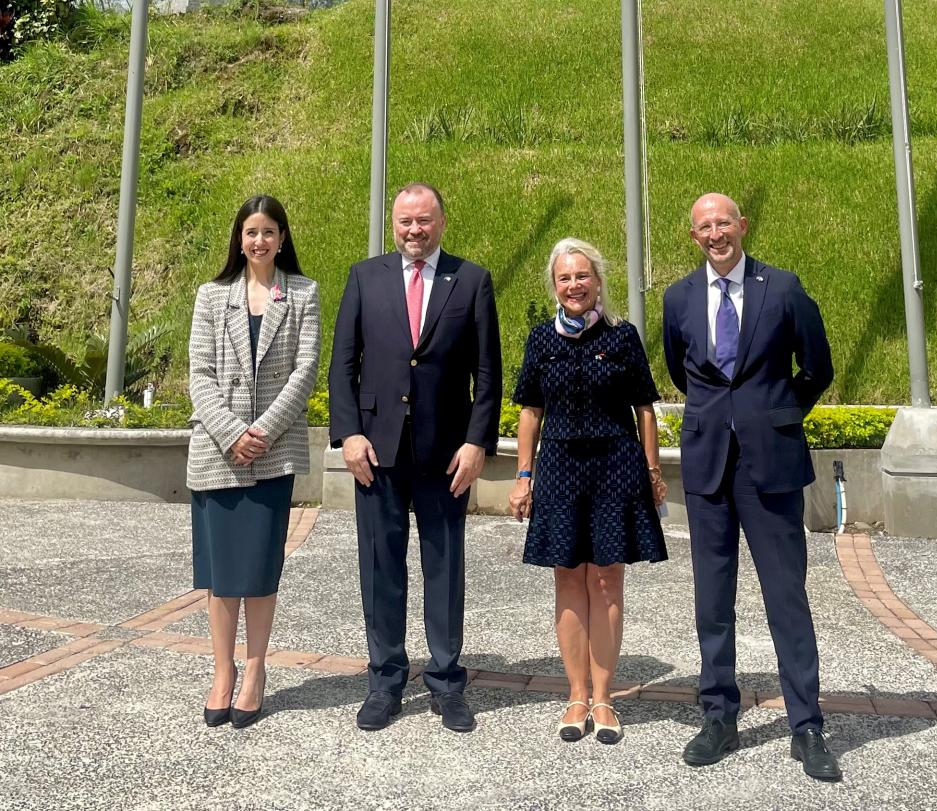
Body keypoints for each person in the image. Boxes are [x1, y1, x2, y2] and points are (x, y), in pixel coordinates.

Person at [662, 193, 839, 780]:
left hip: (772, 464)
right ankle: (718, 715)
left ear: (742, 226)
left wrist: (779, 414)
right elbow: (677, 367)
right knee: (713, 601)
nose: (716, 234)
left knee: (786, 596)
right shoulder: (679, 298)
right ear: (694, 237)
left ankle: (807, 724)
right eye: (704, 226)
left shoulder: (783, 288)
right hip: (709, 464)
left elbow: (817, 366)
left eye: (724, 223)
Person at [328, 182, 502, 733]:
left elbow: (489, 372)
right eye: (405, 221)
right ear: (393, 224)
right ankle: (385, 680)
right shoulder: (364, 277)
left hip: (447, 453)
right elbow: (342, 365)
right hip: (375, 451)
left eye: (424, 220)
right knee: (381, 567)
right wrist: (349, 435)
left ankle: (448, 682)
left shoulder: (470, 280)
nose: (414, 230)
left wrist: (477, 443)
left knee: (444, 567)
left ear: (442, 223)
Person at [508, 238, 668, 744]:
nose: (574, 285)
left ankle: (604, 698)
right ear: (554, 286)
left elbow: (645, 407)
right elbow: (530, 411)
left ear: (598, 282)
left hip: (615, 466)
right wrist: (523, 475)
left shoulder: (622, 337)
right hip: (557, 467)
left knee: (606, 582)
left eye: (582, 276)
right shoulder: (540, 338)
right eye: (564, 278)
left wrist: (651, 470)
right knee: (568, 580)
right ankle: (575, 695)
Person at [187, 194, 320, 729]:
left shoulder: (304, 294)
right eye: (250, 232)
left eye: (268, 231)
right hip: (218, 455)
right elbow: (198, 374)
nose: (259, 240)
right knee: (222, 576)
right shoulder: (211, 296)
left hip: (272, 453)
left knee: (261, 571)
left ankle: (256, 669)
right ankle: (222, 670)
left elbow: (305, 370)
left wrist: (260, 431)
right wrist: (231, 432)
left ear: (282, 238)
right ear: (238, 239)